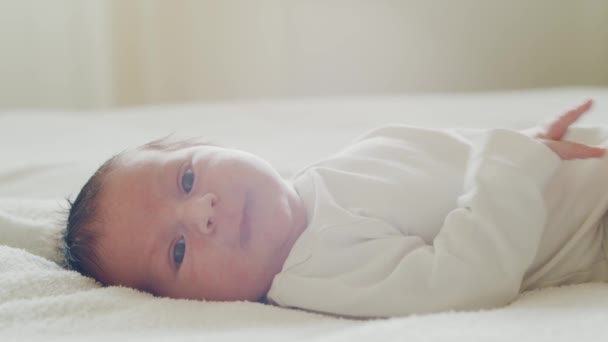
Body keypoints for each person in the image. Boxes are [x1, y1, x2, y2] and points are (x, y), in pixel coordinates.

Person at [63, 99, 608, 318]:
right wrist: (510, 162)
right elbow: (465, 279)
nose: (202, 210)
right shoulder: (316, 273)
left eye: (186, 177)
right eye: (177, 251)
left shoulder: (318, 183)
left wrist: (525, 144)